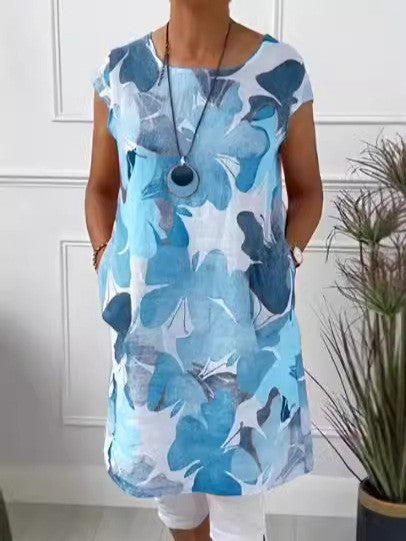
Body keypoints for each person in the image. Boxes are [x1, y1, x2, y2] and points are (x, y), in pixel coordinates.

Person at [85, 0, 323, 539]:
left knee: (239, 515)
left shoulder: (280, 72)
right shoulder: (120, 73)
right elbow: (100, 189)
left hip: (244, 329)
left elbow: (308, 192)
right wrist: (105, 264)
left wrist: (282, 265)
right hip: (151, 331)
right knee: (175, 504)